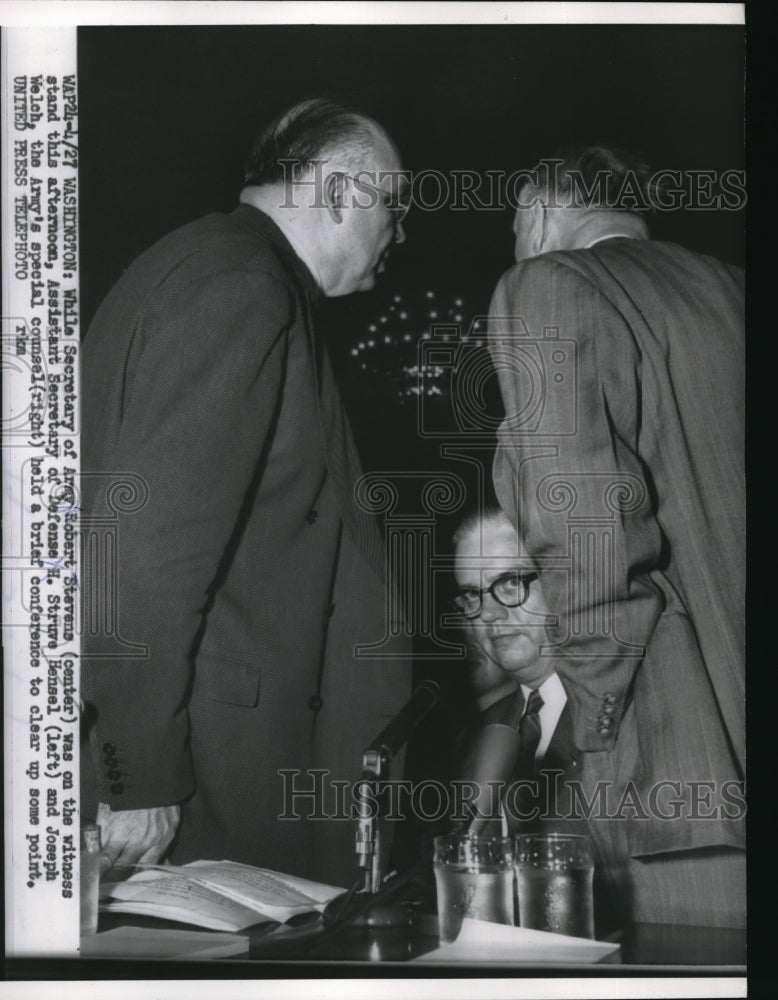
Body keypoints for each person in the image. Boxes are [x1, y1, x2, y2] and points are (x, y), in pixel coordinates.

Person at [80, 98, 413, 886]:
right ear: (337, 194)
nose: (403, 232)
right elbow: (141, 550)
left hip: (216, 764)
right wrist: (142, 778)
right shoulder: (241, 287)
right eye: (394, 205)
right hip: (206, 786)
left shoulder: (211, 267)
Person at [485, 147, 745, 927]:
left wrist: (592, 727)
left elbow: (585, 533)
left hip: (675, 751)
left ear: (537, 215)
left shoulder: (550, 285)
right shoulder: (732, 289)